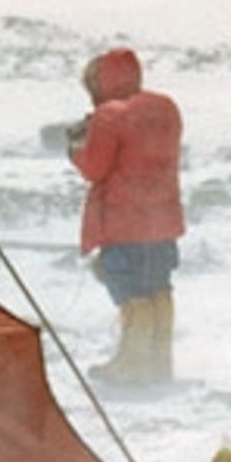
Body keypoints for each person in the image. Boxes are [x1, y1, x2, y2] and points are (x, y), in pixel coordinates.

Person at [68, 44, 185, 385]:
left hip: (124, 223)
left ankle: (132, 368)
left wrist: (77, 148)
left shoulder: (110, 116)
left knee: (132, 297)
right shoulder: (166, 107)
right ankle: (159, 365)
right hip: (162, 220)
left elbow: (95, 169)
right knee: (159, 292)